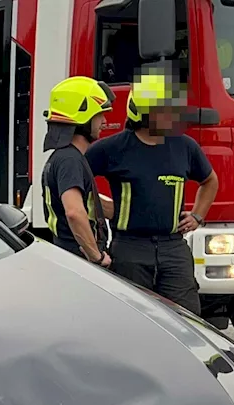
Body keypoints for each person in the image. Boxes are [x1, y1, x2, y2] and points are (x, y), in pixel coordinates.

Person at [86, 67, 219, 314]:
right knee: (133, 321)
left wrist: (198, 216)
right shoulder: (111, 148)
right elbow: (76, 182)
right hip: (130, 249)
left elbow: (210, 181)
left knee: (188, 322)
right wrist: (98, 207)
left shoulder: (185, 146)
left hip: (173, 249)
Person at [40, 76, 115, 266]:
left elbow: (84, 202)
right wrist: (95, 256)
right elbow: (74, 211)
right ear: (84, 117)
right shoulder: (70, 160)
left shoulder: (63, 157)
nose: (104, 121)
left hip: (69, 255)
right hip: (79, 258)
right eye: (100, 115)